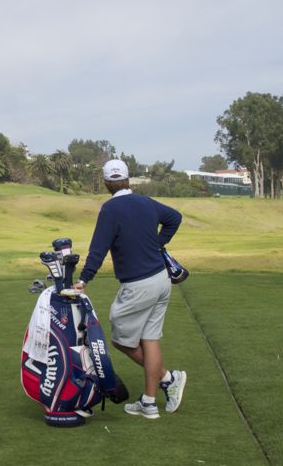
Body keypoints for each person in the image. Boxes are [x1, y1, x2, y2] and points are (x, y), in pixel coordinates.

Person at [74, 159, 186, 419]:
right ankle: (149, 403)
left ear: (106, 182)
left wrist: (84, 279)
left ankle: (168, 378)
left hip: (138, 285)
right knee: (149, 338)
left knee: (121, 339)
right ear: (127, 179)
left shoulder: (110, 209)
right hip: (161, 279)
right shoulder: (146, 202)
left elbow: (98, 249)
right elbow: (175, 218)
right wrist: (158, 243)